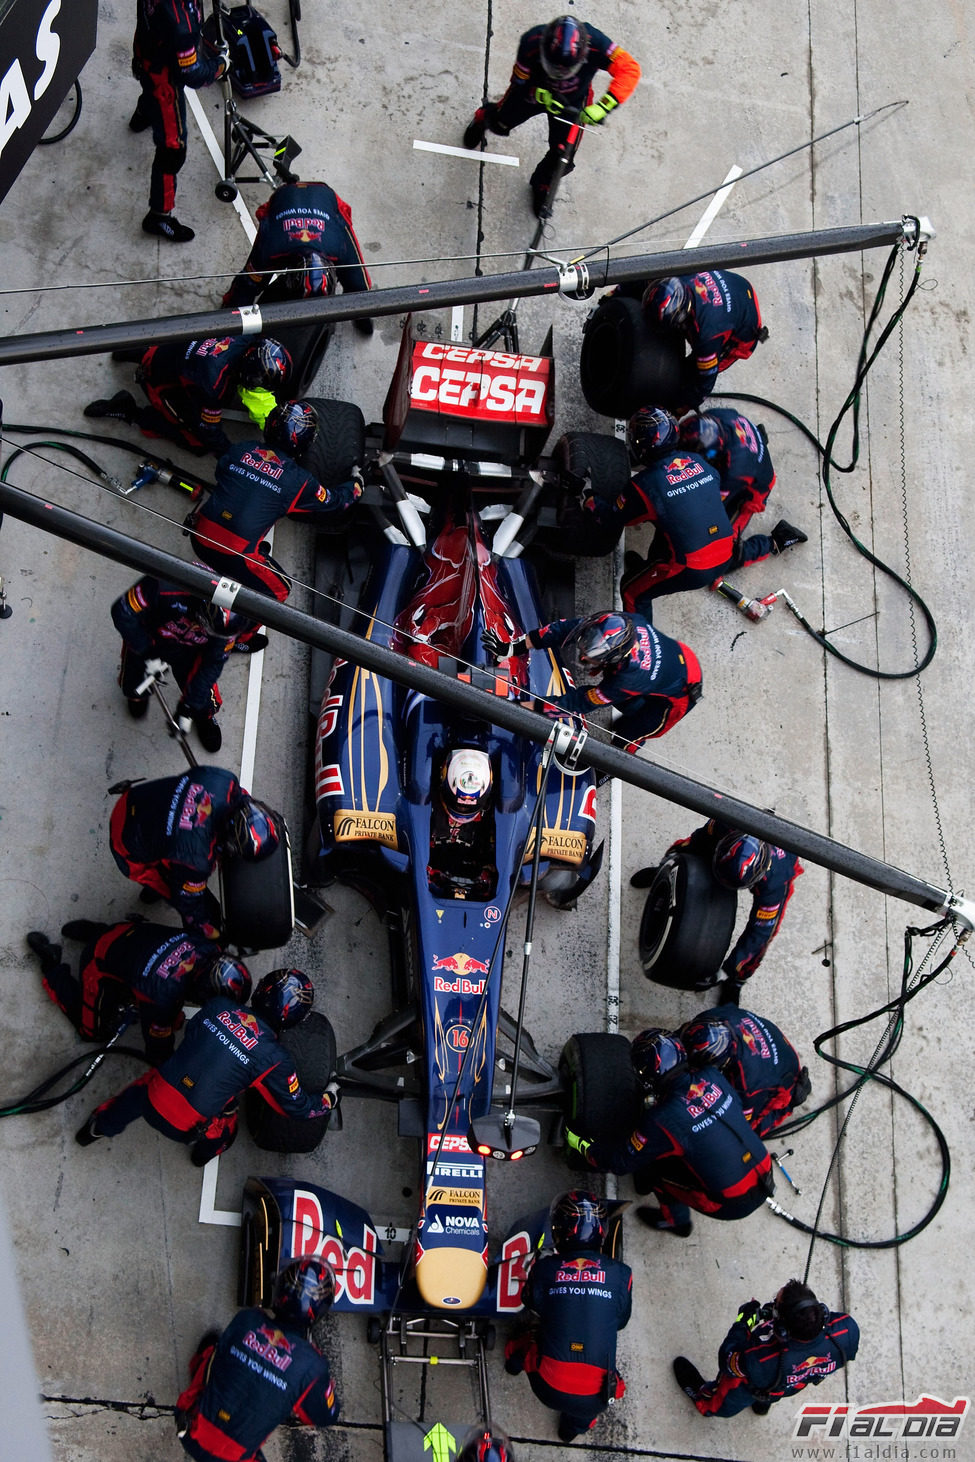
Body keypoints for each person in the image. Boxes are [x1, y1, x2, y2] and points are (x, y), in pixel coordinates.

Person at [75, 968, 339, 1164]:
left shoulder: (217, 1006)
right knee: (226, 1123)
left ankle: (95, 1129)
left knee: (139, 1091)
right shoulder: (275, 1059)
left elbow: (194, 1038)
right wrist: (329, 1099)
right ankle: (202, 1156)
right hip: (185, 1127)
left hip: (154, 1096)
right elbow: (296, 1107)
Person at [566, 1028, 773, 1236]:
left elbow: (620, 1163)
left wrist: (583, 1145)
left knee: (652, 1167)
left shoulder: (663, 1119)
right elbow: (739, 1108)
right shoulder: (712, 1075)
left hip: (733, 1201)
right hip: (764, 1166)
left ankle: (677, 1222)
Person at [604, 408, 803, 616]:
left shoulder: (733, 472)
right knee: (674, 529)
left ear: (713, 459)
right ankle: (651, 570)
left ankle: (775, 542)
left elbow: (706, 503)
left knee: (726, 550)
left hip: (751, 489)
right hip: (738, 453)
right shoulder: (705, 421)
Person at [189, 401, 363, 623]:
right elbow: (336, 502)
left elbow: (221, 473)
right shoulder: (299, 481)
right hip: (234, 555)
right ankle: (238, 636)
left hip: (199, 535)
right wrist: (357, 483)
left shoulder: (241, 449)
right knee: (280, 590)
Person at [462, 15, 641, 217]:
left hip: (573, 102)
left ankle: (542, 186)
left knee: (562, 156)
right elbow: (519, 80)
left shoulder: (597, 44)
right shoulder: (531, 41)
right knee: (500, 122)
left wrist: (604, 106)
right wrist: (537, 91)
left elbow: (629, 69)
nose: (558, 73)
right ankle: (481, 118)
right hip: (534, 93)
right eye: (553, 66)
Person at [175, 1255, 341, 1457]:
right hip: (232, 1457)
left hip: (188, 1428)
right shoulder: (312, 1366)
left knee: (215, 1350)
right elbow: (325, 1416)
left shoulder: (247, 1319)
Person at [504, 1191, 631, 1443]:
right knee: (590, 1406)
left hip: (549, 1388)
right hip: (595, 1397)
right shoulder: (623, 1274)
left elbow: (530, 1303)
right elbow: (621, 1321)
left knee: (528, 1335)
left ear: (560, 1231)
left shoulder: (545, 1268)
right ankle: (570, 1431)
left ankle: (514, 1362)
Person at [25, 920, 248, 1065]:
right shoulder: (163, 997)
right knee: (91, 1032)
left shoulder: (211, 946)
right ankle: (51, 965)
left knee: (132, 946)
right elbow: (157, 1050)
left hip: (126, 930)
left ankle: (92, 931)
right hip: (98, 961)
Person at [630, 821, 803, 1002]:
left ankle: (736, 982)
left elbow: (759, 935)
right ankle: (660, 872)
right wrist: (670, 865)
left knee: (764, 937)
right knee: (690, 847)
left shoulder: (775, 883)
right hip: (726, 840)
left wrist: (727, 972)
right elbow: (696, 842)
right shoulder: (725, 823)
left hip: (781, 862)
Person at [482, 610, 702, 749]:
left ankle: (604, 773)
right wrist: (511, 648)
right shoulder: (617, 621)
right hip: (673, 656)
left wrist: (520, 707)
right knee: (626, 705)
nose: (584, 654)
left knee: (628, 736)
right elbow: (563, 629)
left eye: (593, 653)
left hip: (681, 690)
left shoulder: (629, 678)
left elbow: (578, 703)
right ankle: (632, 710)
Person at [109, 766, 280, 941]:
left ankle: (152, 891)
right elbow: (190, 904)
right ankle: (155, 891)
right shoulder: (196, 861)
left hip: (135, 799)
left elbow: (240, 798)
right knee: (190, 901)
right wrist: (208, 931)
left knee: (172, 852)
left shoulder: (225, 780)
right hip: (127, 843)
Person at [673, 1278, 859, 1417]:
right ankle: (763, 1405)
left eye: (775, 1306)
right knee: (771, 1392)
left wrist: (743, 1323)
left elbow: (727, 1361)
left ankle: (704, 1402)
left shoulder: (760, 1360)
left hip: (748, 1386)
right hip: (788, 1386)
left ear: (782, 1329)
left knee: (722, 1402)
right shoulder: (848, 1330)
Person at [110, 574, 254, 751]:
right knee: (132, 684)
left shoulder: (226, 631)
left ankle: (204, 717)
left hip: (192, 652)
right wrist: (146, 651)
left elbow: (212, 664)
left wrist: (188, 707)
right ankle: (138, 697)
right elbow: (123, 612)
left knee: (203, 700)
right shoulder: (163, 584)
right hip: (151, 639)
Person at [83, 337, 292, 455]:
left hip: (171, 345)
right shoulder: (213, 384)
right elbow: (210, 432)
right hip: (160, 377)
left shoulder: (248, 337)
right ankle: (128, 409)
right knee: (197, 443)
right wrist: (233, 458)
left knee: (175, 356)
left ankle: (135, 351)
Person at [222, 180, 374, 334]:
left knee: (355, 280)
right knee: (255, 276)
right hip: (284, 198)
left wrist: (363, 314)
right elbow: (247, 284)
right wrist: (229, 313)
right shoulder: (271, 248)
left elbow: (360, 285)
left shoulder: (339, 247)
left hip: (324, 196)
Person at [130, 0, 227, 242]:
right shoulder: (181, 24)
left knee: (149, 86)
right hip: (165, 79)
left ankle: (143, 114)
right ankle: (159, 216)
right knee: (173, 149)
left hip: (146, 49)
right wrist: (222, 65)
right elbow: (192, 74)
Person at [633, 271, 768, 407]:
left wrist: (680, 409)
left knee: (689, 376)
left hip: (745, 324)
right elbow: (640, 281)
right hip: (736, 284)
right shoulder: (676, 278)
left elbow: (703, 385)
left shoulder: (708, 338)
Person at [680, 1005, 811, 1138]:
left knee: (747, 1132)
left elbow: (743, 1128)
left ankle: (791, 1103)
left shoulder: (749, 1086)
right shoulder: (713, 1015)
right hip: (771, 1040)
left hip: (784, 1073)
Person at [427, 747, 498, 900]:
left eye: (469, 805)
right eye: (459, 804)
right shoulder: (429, 804)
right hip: (434, 869)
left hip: (471, 870)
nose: (463, 808)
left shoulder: (491, 816)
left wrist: (490, 872)